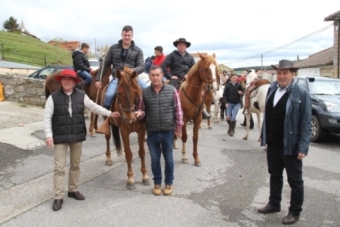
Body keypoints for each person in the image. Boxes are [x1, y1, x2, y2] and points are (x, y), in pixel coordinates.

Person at [44, 69, 120, 211]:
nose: (67, 81)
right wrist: (48, 135)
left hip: (76, 135)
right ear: (61, 81)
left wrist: (110, 113)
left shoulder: (81, 95)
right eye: (64, 79)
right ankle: (58, 196)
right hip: (60, 136)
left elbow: (93, 107)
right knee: (59, 168)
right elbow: (47, 117)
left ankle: (72, 190)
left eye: (70, 79)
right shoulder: (53, 98)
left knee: (75, 165)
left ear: (74, 82)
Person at [258, 60, 311, 225]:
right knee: (274, 175)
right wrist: (263, 134)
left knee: (295, 180)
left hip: (291, 144)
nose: (282, 76)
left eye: (285, 73)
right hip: (273, 143)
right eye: (279, 73)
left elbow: (306, 123)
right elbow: (269, 115)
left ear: (292, 74)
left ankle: (295, 211)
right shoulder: (272, 89)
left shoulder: (301, 93)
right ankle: (274, 203)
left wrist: (303, 146)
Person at [135, 65, 183, 196]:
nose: (155, 77)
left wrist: (178, 127)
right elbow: (142, 109)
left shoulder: (172, 90)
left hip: (168, 131)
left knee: (169, 159)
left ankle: (168, 182)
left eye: (157, 75)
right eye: (153, 75)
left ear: (162, 75)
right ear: (149, 77)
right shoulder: (145, 92)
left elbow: (178, 110)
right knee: (155, 159)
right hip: (152, 131)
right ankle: (157, 182)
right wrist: (140, 113)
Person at [95, 25, 147, 109]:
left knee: (147, 90)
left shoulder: (138, 50)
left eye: (129, 35)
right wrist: (98, 79)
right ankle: (108, 117)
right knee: (108, 96)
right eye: (125, 35)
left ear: (132, 36)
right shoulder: (113, 48)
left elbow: (141, 66)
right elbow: (105, 64)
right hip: (117, 78)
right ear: (121, 35)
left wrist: (128, 72)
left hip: (133, 79)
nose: (127, 37)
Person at [161, 37, 210, 119]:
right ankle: (168, 111)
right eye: (180, 45)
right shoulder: (172, 55)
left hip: (188, 78)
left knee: (200, 92)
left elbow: (194, 69)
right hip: (176, 78)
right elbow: (163, 66)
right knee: (170, 92)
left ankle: (202, 109)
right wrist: (170, 76)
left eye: (184, 45)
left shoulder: (190, 57)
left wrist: (189, 75)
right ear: (177, 46)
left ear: (186, 46)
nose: (182, 46)